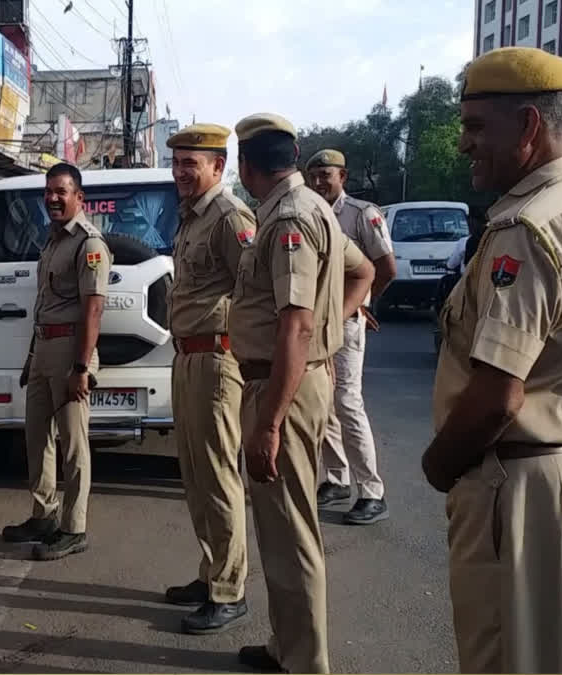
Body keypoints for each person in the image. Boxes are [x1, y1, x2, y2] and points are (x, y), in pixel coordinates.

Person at [422, 46, 562, 673]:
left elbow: (499, 391)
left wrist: (439, 465)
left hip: (516, 486)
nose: (465, 144)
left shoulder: (528, 229)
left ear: (528, 126)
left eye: (475, 127)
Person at [229, 113, 374, 673]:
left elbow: (295, 325)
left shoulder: (289, 217)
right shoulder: (316, 209)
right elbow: (361, 275)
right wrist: (330, 338)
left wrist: (269, 421)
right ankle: (285, 645)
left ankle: (307, 662)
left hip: (279, 387)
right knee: (278, 527)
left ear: (246, 166)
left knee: (291, 531)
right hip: (293, 379)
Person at [160, 124, 255, 633]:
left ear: (218, 167)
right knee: (195, 475)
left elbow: (257, 289)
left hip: (218, 360)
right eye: (176, 162)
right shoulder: (191, 216)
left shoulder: (229, 216)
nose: (180, 171)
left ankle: (229, 588)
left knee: (219, 475)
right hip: (187, 356)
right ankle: (211, 570)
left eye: (190, 163)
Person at [2, 162, 112, 562]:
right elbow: (44, 305)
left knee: (73, 446)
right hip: (44, 350)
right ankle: (43, 515)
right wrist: (31, 358)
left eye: (61, 192)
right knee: (37, 439)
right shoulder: (53, 240)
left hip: (70, 354)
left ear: (79, 197)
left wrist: (81, 368)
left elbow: (93, 310)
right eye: (48, 192)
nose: (52, 198)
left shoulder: (89, 244)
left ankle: (74, 527)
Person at [306, 149, 397, 525]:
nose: (318, 182)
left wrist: (364, 304)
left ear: (343, 177)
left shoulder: (361, 214)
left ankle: (372, 491)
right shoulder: (311, 212)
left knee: (346, 400)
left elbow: (385, 267)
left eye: (326, 175)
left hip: (344, 321)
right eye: (313, 175)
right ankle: (337, 477)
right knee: (324, 401)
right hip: (316, 320)